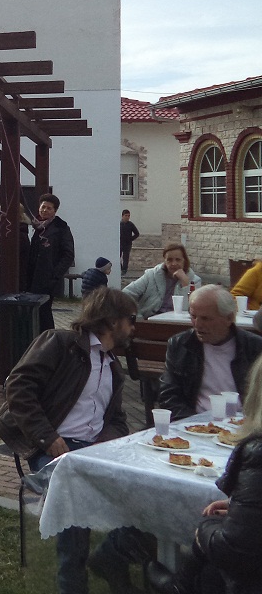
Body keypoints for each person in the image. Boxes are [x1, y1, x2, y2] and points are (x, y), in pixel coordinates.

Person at [0, 287, 144, 594]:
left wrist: (106, 442)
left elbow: (117, 419)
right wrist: (48, 437)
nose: (133, 327)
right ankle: (72, 585)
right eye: (131, 319)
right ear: (112, 321)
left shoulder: (112, 366)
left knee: (143, 489)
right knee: (74, 497)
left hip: (93, 450)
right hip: (55, 447)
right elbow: (18, 387)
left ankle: (110, 556)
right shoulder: (60, 343)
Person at [146, 356, 262, 594]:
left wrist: (204, 531)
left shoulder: (257, 452)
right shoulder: (182, 345)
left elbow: (234, 548)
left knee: (210, 537)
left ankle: (178, 586)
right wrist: (242, 508)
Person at [157, 284, 262, 421]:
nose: (198, 324)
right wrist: (192, 423)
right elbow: (169, 395)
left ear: (229, 318)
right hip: (194, 422)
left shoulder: (254, 347)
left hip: (244, 422)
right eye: (193, 316)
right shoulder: (180, 344)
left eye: (206, 318)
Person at [23, 193, 75, 332]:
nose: (45, 210)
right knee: (36, 314)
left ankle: (49, 339)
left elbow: (68, 255)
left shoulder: (61, 228)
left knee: (44, 313)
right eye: (43, 207)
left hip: (47, 279)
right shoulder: (38, 227)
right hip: (33, 279)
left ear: (54, 211)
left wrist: (54, 275)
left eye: (49, 208)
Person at [123, 243, 202, 319]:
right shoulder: (151, 275)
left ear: (184, 261)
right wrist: (137, 315)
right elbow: (126, 294)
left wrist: (185, 284)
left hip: (178, 322)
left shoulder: (195, 281)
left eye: (178, 260)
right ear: (164, 261)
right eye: (169, 260)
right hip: (150, 320)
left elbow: (189, 310)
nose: (173, 263)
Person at [119, 210, 139, 276]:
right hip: (119, 243)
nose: (127, 217)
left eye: (128, 216)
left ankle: (124, 270)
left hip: (127, 244)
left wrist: (130, 239)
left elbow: (137, 233)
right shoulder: (119, 224)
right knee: (118, 256)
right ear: (122, 216)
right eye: (126, 215)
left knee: (126, 257)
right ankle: (120, 268)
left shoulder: (130, 224)